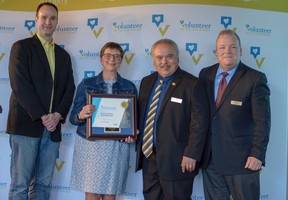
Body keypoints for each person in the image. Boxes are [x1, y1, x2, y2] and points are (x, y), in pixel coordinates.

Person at [6, 2, 75, 200]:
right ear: (36, 19)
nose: (48, 22)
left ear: (57, 22)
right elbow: (20, 85)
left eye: (52, 18)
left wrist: (58, 115)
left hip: (53, 129)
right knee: (20, 186)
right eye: (44, 17)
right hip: (26, 125)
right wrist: (44, 116)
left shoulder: (63, 56)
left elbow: (69, 89)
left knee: (44, 186)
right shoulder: (21, 47)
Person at [199, 29, 271, 200]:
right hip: (210, 159)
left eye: (233, 47)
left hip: (243, 160)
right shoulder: (205, 74)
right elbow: (201, 114)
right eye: (222, 47)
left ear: (241, 51)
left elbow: (263, 121)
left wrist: (258, 153)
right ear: (216, 52)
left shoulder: (255, 78)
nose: (227, 51)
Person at [136, 39, 209, 199]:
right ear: (154, 60)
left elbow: (200, 124)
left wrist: (192, 154)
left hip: (178, 160)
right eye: (159, 57)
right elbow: (142, 116)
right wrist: (132, 131)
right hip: (149, 158)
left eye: (169, 56)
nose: (164, 62)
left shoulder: (192, 84)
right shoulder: (146, 82)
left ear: (177, 58)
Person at [69, 42, 137, 200]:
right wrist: (82, 114)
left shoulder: (130, 86)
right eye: (108, 55)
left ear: (121, 60)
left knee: (110, 194)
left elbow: (132, 121)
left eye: (116, 56)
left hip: (116, 145)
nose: (112, 59)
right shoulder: (86, 84)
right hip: (90, 145)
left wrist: (132, 133)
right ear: (101, 59)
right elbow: (73, 118)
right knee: (91, 194)